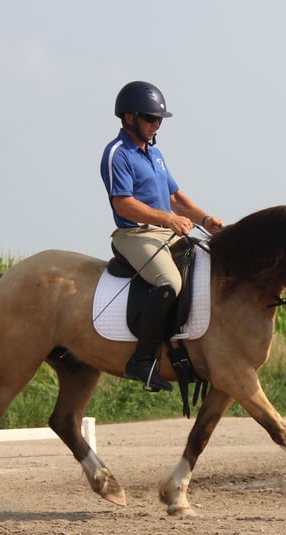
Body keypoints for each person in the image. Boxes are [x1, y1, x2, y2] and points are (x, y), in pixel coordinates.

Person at [100, 80, 224, 392]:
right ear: (129, 118)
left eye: (159, 120)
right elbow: (123, 203)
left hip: (165, 232)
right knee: (170, 282)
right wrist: (168, 220)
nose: (156, 125)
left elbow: (175, 197)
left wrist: (205, 219)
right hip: (135, 234)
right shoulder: (118, 153)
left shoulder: (154, 154)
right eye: (150, 119)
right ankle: (142, 361)